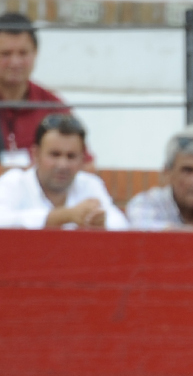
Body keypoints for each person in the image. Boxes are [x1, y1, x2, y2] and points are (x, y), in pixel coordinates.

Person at [0, 113, 126, 230]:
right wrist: (65, 216)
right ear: (35, 154)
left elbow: (121, 225)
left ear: (82, 159)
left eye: (71, 156)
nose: (62, 165)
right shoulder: (14, 182)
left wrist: (102, 223)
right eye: (55, 154)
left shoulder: (90, 184)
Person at [0, 13, 73, 171]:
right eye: (6, 54)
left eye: (23, 53)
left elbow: (84, 164)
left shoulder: (53, 107)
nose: (15, 62)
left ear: (35, 53)